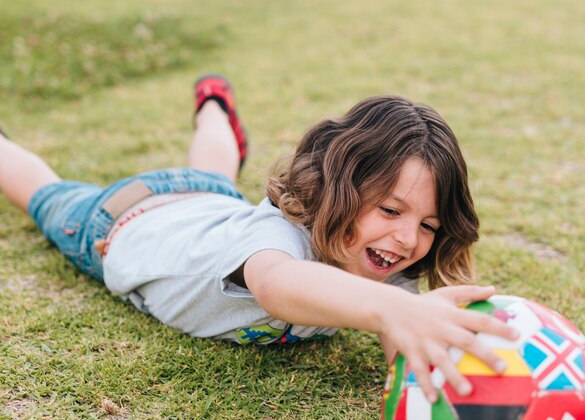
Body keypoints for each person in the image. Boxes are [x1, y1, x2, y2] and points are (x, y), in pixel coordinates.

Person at [0, 75, 518, 402]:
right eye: (390, 209)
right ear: (340, 185)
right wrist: (393, 310)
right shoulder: (277, 244)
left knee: (213, 176)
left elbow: (404, 355)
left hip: (209, 208)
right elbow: (276, 284)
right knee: (41, 190)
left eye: (429, 226)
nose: (408, 238)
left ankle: (214, 108)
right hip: (122, 221)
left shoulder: (384, 276)